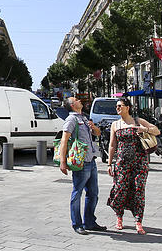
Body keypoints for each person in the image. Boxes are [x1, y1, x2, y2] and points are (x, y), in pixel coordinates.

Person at [107, 98, 159, 234]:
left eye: (120, 106)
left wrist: (145, 129)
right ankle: (119, 217)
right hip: (122, 163)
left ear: (127, 107)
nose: (117, 108)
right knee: (120, 189)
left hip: (139, 162)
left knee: (139, 190)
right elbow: (112, 145)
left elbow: (157, 131)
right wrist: (109, 163)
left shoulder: (137, 121)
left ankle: (138, 221)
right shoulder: (115, 125)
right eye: (116, 106)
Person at [59, 97, 106, 235]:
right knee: (77, 193)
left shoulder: (84, 118)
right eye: (77, 100)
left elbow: (97, 134)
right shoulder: (71, 119)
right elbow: (64, 140)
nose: (80, 100)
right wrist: (63, 161)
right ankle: (77, 224)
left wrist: (94, 127)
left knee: (93, 194)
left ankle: (90, 222)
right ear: (73, 105)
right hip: (80, 162)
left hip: (91, 160)